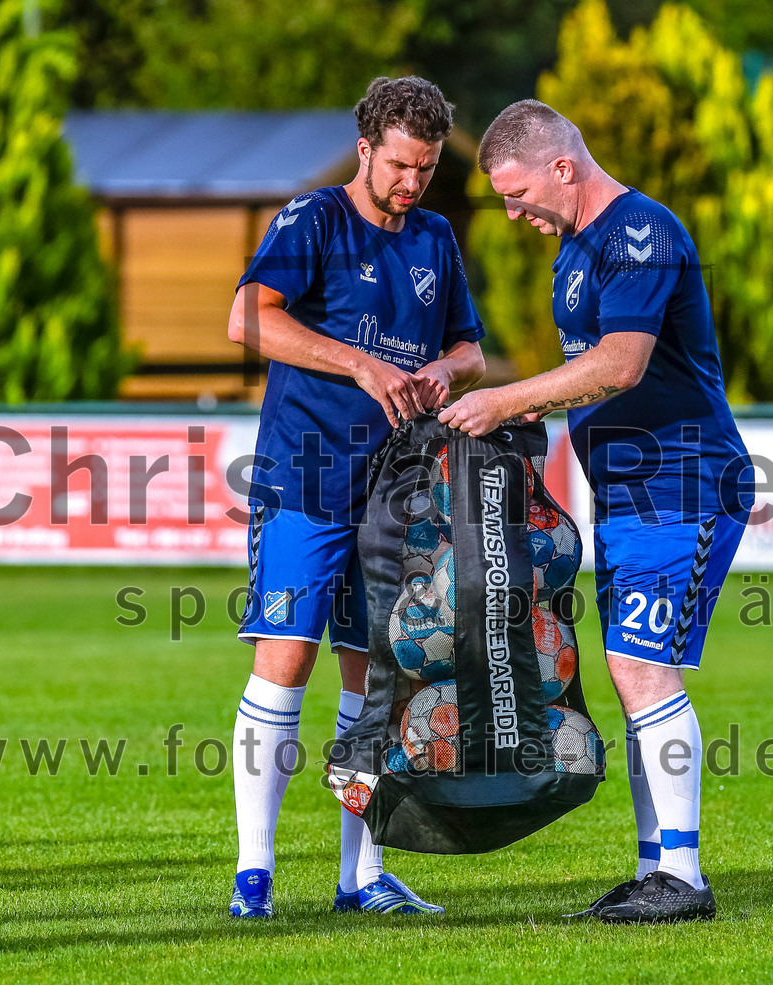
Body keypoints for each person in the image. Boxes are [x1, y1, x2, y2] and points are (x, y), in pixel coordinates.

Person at [439, 99, 752, 924]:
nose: (513, 214)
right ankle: (657, 869)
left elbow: (621, 362)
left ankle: (682, 876)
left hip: (684, 481)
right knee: (631, 669)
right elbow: (586, 377)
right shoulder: (574, 252)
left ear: (563, 167)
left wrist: (507, 398)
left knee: (640, 668)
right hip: (626, 494)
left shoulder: (640, 232)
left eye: (517, 195)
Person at [226, 76, 485, 919]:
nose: (413, 182)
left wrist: (446, 369)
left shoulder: (436, 237)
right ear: (366, 148)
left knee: (379, 679)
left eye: (428, 166)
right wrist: (361, 363)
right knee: (285, 661)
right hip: (303, 480)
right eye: (400, 165)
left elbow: (472, 350)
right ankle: (254, 877)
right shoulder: (314, 219)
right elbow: (247, 319)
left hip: (396, 492)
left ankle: (362, 876)